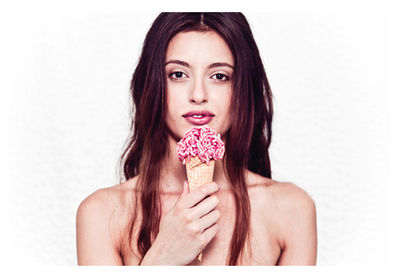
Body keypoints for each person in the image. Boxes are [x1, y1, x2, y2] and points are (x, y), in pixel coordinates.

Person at [76, 12, 317, 266]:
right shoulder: (101, 214)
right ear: (153, 85)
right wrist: (163, 257)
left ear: (243, 89)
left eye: (219, 76)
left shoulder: (291, 210)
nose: (198, 94)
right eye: (178, 74)